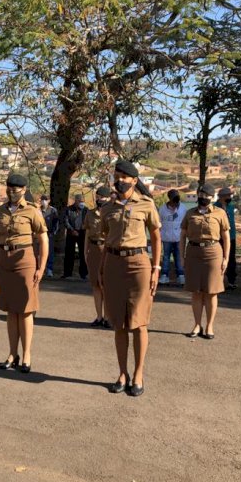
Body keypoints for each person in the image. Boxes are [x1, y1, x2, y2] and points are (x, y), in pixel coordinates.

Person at [98, 160, 161, 397]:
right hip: (114, 264)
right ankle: (122, 373)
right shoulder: (108, 208)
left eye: (125, 177)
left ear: (135, 180)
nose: (120, 180)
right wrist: (102, 269)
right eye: (117, 176)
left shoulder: (146, 205)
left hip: (138, 266)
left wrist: (156, 268)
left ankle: (138, 374)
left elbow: (156, 237)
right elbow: (106, 240)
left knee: (139, 322)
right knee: (119, 324)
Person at [0, 174, 48, 374]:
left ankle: (27, 354)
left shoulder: (32, 211)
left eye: (16, 188)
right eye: (9, 188)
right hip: (5, 262)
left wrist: (41, 267)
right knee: (10, 311)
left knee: (25, 310)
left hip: (25, 262)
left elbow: (43, 239)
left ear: (24, 190)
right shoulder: (0, 211)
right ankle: (12, 353)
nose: (12, 191)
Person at [180, 184, 231, 340]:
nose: (202, 198)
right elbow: (182, 237)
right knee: (196, 292)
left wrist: (225, 259)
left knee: (210, 292)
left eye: (206, 195)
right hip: (194, 253)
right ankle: (196, 324)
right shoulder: (190, 214)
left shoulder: (220, 213)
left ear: (211, 197)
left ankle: (209, 326)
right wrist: (182, 257)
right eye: (200, 195)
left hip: (213, 253)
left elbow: (226, 238)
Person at [83, 186, 112, 328]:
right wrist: (85, 252)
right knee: (95, 285)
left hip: (107, 250)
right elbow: (87, 234)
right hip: (94, 249)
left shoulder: (112, 212)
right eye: (98, 196)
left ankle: (107, 317)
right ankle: (99, 316)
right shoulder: (90, 213)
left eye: (103, 197)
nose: (100, 199)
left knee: (105, 285)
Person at [157, 189, 186, 285]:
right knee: (165, 257)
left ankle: (180, 276)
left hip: (179, 238)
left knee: (178, 257)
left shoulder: (183, 208)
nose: (175, 203)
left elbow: (186, 223)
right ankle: (164, 276)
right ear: (170, 199)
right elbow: (159, 222)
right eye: (174, 199)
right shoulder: (162, 209)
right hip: (166, 238)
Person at [62, 193, 88, 280]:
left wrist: (84, 228)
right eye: (80, 201)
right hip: (71, 233)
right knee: (69, 254)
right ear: (76, 201)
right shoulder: (68, 209)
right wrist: (71, 230)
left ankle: (83, 274)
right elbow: (65, 221)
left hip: (82, 234)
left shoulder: (86, 210)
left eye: (83, 201)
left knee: (83, 254)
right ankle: (67, 273)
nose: (82, 203)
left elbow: (88, 221)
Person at [215, 187, 237, 289]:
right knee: (219, 259)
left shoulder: (231, 206)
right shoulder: (215, 207)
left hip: (231, 236)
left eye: (230, 195)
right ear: (222, 197)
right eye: (227, 195)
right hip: (219, 237)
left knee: (231, 259)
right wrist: (223, 207)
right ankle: (219, 280)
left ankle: (231, 281)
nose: (229, 197)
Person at [39, 195, 59, 277]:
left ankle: (49, 269)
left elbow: (56, 222)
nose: (44, 201)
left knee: (49, 252)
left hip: (49, 234)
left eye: (45, 200)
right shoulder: (38, 210)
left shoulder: (53, 210)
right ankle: (40, 269)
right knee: (39, 252)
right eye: (42, 200)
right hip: (39, 234)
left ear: (49, 201)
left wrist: (53, 232)